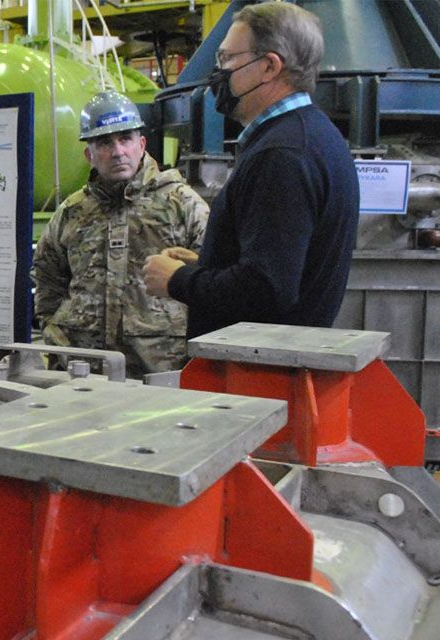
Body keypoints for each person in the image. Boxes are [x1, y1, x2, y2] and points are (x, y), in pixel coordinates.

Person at [143, 1, 358, 338]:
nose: (218, 72)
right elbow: (281, 266)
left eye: (227, 59)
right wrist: (207, 265)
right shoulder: (312, 134)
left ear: (270, 66)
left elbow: (266, 290)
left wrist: (178, 280)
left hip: (260, 374)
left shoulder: (282, 155)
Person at [34, 91, 208, 378]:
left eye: (125, 139)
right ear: (89, 155)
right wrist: (56, 330)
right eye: (104, 142)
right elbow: (47, 276)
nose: (117, 151)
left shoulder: (182, 204)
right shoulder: (72, 213)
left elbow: (210, 279)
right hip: (85, 368)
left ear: (141, 145)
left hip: (160, 367)